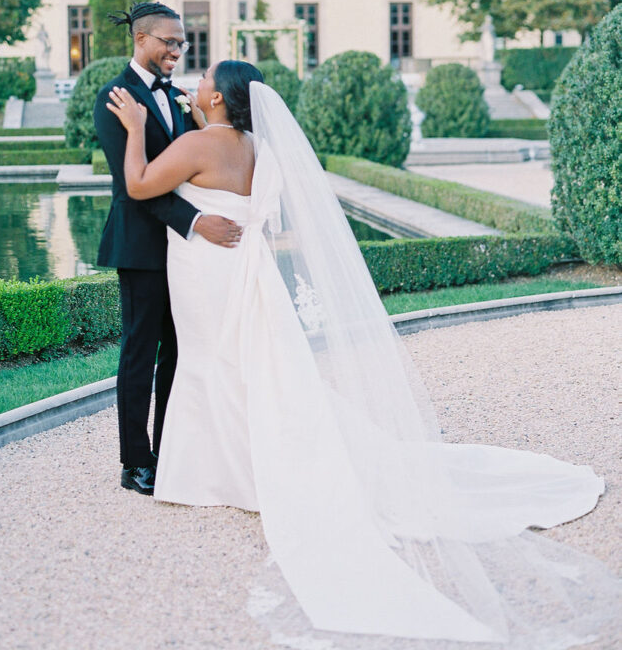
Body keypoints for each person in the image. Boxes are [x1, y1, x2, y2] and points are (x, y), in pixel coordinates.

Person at [106, 62, 619, 649]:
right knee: (243, 365)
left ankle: (221, 472)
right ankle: (233, 463)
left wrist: (135, 129)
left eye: (205, 81)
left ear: (218, 97)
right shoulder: (252, 145)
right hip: (241, 269)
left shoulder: (198, 143)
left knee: (211, 362)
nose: (195, 82)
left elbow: (141, 185)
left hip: (207, 272)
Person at [93, 3, 243, 497]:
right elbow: (133, 185)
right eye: (169, 42)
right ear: (141, 39)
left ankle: (174, 450)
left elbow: (190, 172)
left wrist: (200, 123)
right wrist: (197, 221)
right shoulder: (115, 97)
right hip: (141, 247)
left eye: (182, 43)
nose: (178, 50)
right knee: (140, 354)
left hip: (185, 255)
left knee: (181, 351)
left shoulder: (178, 97)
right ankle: (135, 461)